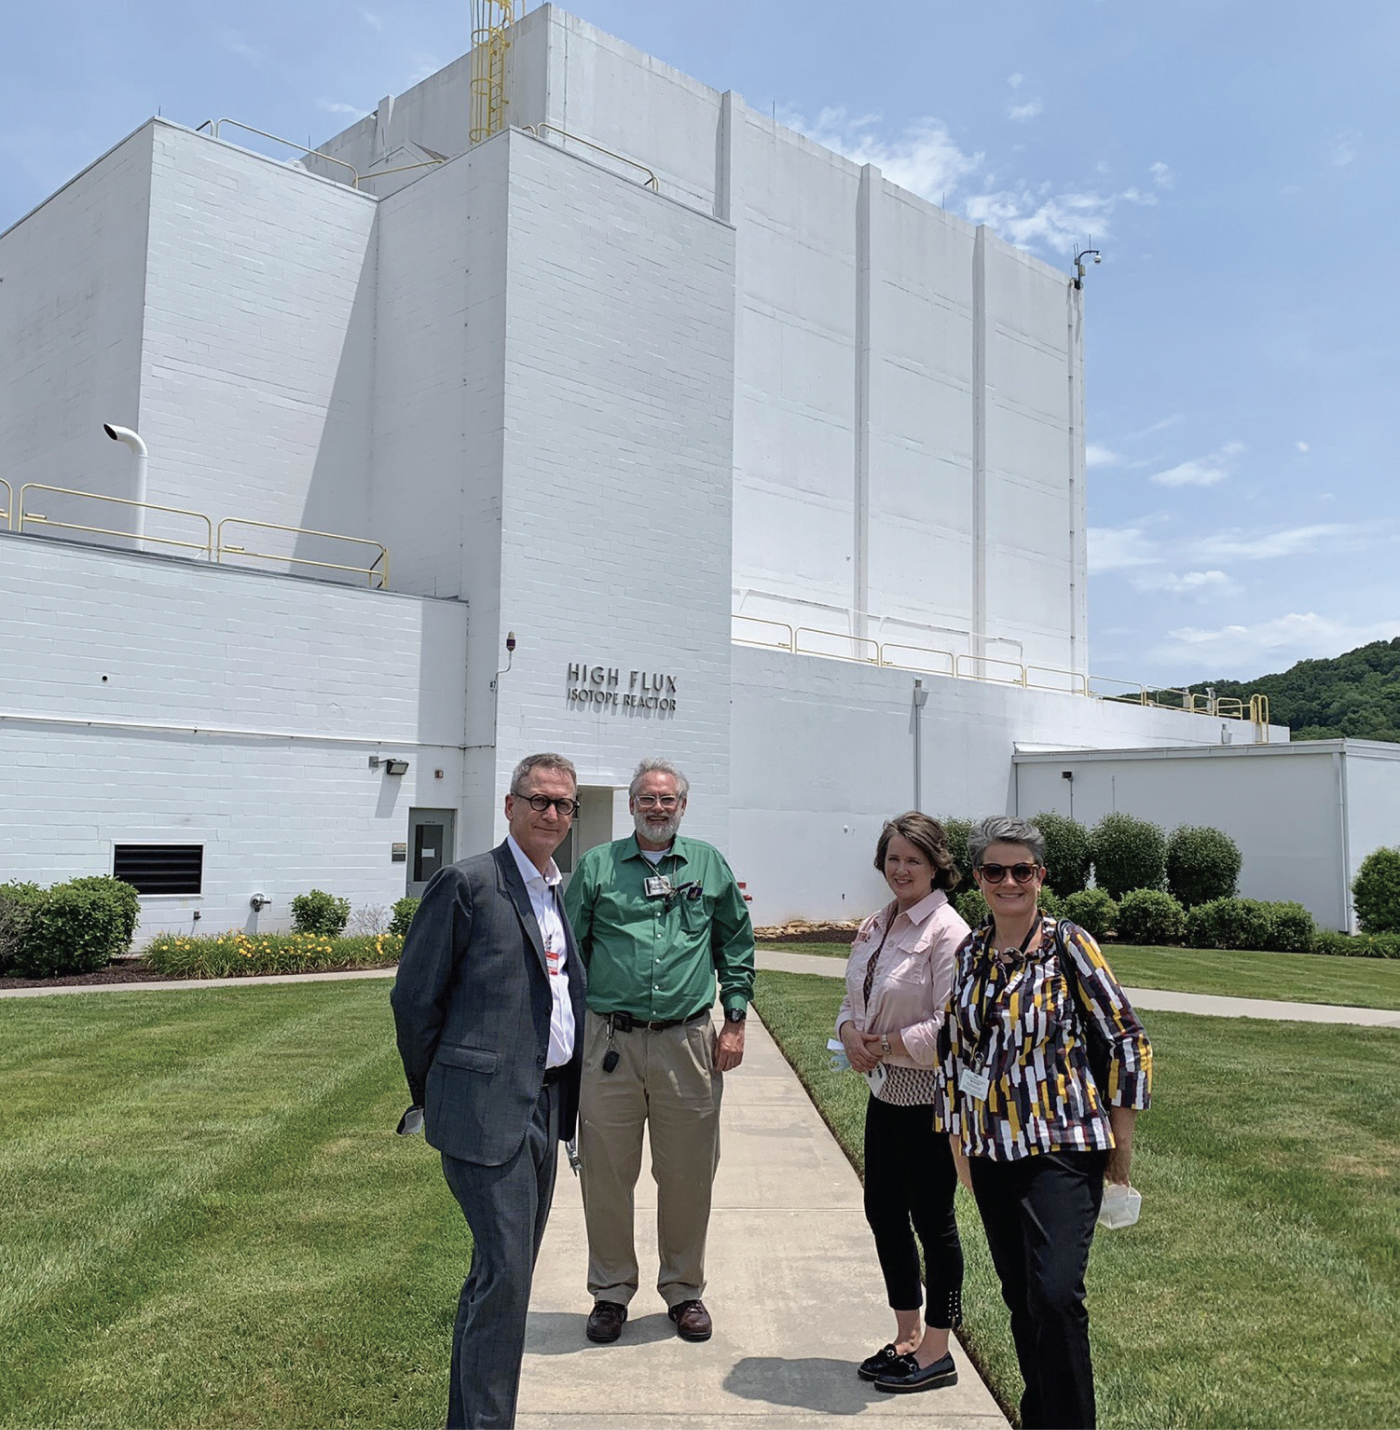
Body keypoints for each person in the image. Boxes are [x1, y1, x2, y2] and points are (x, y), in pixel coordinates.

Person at [935, 815, 1152, 1430]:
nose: (1010, 881)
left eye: (1022, 870)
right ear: (978, 878)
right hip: (989, 1152)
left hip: (1062, 1146)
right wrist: (959, 1151)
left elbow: (1127, 1041)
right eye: (995, 870)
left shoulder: (1067, 944)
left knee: (1056, 1295)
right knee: (1022, 1301)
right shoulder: (970, 951)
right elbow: (954, 1055)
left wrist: (1121, 1148)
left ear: (1041, 876)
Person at [390, 753, 587, 1430]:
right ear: (509, 806)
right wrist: (439, 1090)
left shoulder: (557, 890)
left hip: (547, 1105)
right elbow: (414, 1001)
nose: (553, 815)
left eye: (565, 805)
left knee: (501, 1278)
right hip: (485, 1110)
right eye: (540, 801)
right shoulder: (468, 883)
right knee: (505, 1276)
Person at [563, 757, 754, 1346]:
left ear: (682, 807)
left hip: (689, 1042)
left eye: (667, 800)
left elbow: (736, 942)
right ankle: (611, 1292)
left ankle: (684, 1291)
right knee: (606, 1174)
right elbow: (568, 952)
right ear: (631, 805)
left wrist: (735, 1021)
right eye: (647, 798)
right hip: (611, 1043)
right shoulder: (596, 866)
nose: (657, 807)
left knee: (689, 1174)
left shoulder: (708, 865)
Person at [836, 812, 971, 1395]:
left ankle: (938, 1350)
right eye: (893, 858)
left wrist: (884, 1046)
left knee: (933, 1224)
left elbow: (952, 1028)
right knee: (884, 1213)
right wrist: (849, 1036)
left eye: (914, 859)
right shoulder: (877, 924)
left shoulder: (948, 932)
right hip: (885, 1095)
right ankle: (907, 1335)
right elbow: (851, 1001)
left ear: (938, 865)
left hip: (929, 1103)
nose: (901, 869)